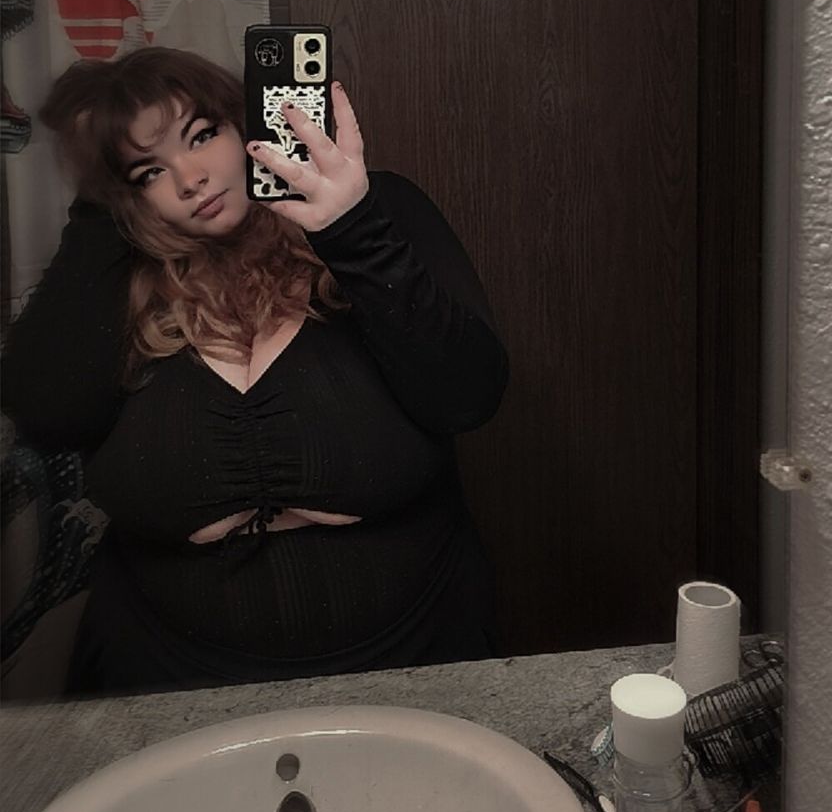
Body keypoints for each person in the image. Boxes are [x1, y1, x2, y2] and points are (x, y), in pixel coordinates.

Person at [1, 46, 509, 694]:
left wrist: (353, 230)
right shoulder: (116, 272)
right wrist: (102, 201)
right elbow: (47, 411)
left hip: (413, 653)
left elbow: (467, 395)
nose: (190, 179)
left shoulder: (377, 209)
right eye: (148, 170)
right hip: (167, 674)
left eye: (202, 135)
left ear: (247, 124)